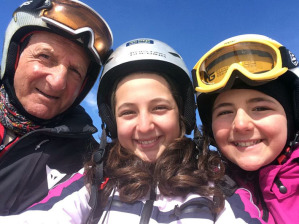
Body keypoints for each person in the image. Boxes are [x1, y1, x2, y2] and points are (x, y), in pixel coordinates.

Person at [0, 38, 234, 224]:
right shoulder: (96, 177)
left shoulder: (216, 182)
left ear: (182, 114)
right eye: (128, 112)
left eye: (159, 108)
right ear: (112, 123)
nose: (144, 126)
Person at [0, 0, 113, 215]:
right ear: (14, 56)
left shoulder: (90, 160)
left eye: (75, 71)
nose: (58, 81)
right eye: (45, 56)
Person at [192, 34, 299, 223]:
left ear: (293, 116)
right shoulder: (205, 190)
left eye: (260, 108)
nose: (241, 125)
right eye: (225, 112)